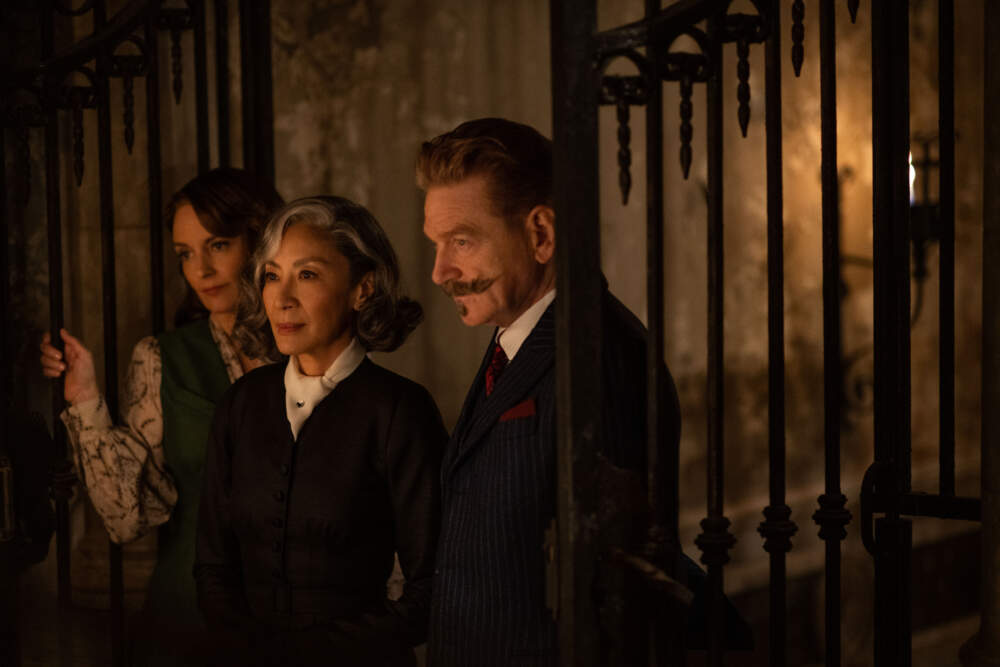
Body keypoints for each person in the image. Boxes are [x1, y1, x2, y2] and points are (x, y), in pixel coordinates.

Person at [417, 118, 687, 666]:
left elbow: (614, 588)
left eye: (461, 241)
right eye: (437, 245)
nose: (440, 271)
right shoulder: (517, 340)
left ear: (541, 234)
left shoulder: (602, 354)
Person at [39, 167, 284, 665]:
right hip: (190, 620)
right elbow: (126, 519)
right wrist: (84, 397)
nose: (201, 271)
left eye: (216, 245)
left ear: (257, 241)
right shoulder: (160, 359)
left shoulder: (310, 347)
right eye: (185, 254)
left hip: (302, 620)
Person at [194, 196, 446, 667]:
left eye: (306, 275)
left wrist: (298, 655)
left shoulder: (399, 411)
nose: (282, 297)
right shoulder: (240, 404)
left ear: (362, 290)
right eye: (272, 275)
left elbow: (432, 590)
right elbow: (212, 565)